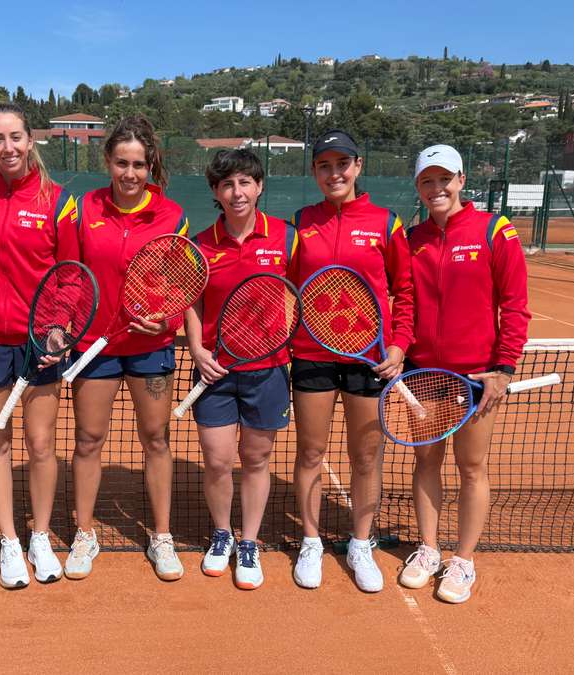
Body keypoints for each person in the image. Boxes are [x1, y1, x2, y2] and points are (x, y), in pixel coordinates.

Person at [399, 144, 530, 603]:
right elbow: (404, 302)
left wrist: (503, 368)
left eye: (444, 179)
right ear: (419, 187)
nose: (437, 188)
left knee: (472, 468)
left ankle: (464, 560)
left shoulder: (495, 229)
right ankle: (429, 548)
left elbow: (514, 305)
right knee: (426, 461)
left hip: (477, 375)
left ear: (461, 179)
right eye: (427, 181)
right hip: (423, 372)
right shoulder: (411, 239)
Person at [0, 102, 79, 589]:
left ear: (30, 141)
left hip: (39, 342)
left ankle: (41, 535)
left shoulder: (58, 201)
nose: (7, 147)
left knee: (43, 444)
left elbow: (70, 275)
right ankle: (9, 540)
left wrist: (59, 326)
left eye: (15, 137)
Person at [288, 129, 414, 592]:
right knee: (311, 453)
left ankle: (361, 543)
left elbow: (406, 291)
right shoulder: (301, 222)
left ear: (358, 166)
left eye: (342, 164)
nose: (334, 172)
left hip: (370, 358)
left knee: (366, 456)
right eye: (324, 165)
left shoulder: (386, 223)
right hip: (311, 355)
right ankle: (310, 541)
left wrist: (399, 345)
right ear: (315, 172)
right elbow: (282, 285)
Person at [65, 115, 188, 582]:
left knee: (155, 439)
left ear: (150, 165)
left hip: (150, 347)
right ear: (107, 162)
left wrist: (167, 319)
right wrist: (66, 327)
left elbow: (182, 280)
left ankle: (160, 536)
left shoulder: (172, 214)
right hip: (94, 346)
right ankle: (84, 532)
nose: (130, 174)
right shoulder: (84, 208)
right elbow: (72, 274)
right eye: (122, 163)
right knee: (88, 440)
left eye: (139, 164)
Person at [186, 149, 297, 590]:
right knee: (217, 461)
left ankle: (248, 541)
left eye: (245, 183)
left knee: (256, 459)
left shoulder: (286, 237)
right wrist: (196, 348)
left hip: (268, 369)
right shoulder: (200, 242)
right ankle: (221, 534)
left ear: (259, 186)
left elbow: (303, 291)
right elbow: (192, 299)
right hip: (214, 369)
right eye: (227, 184)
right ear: (216, 191)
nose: (237, 192)